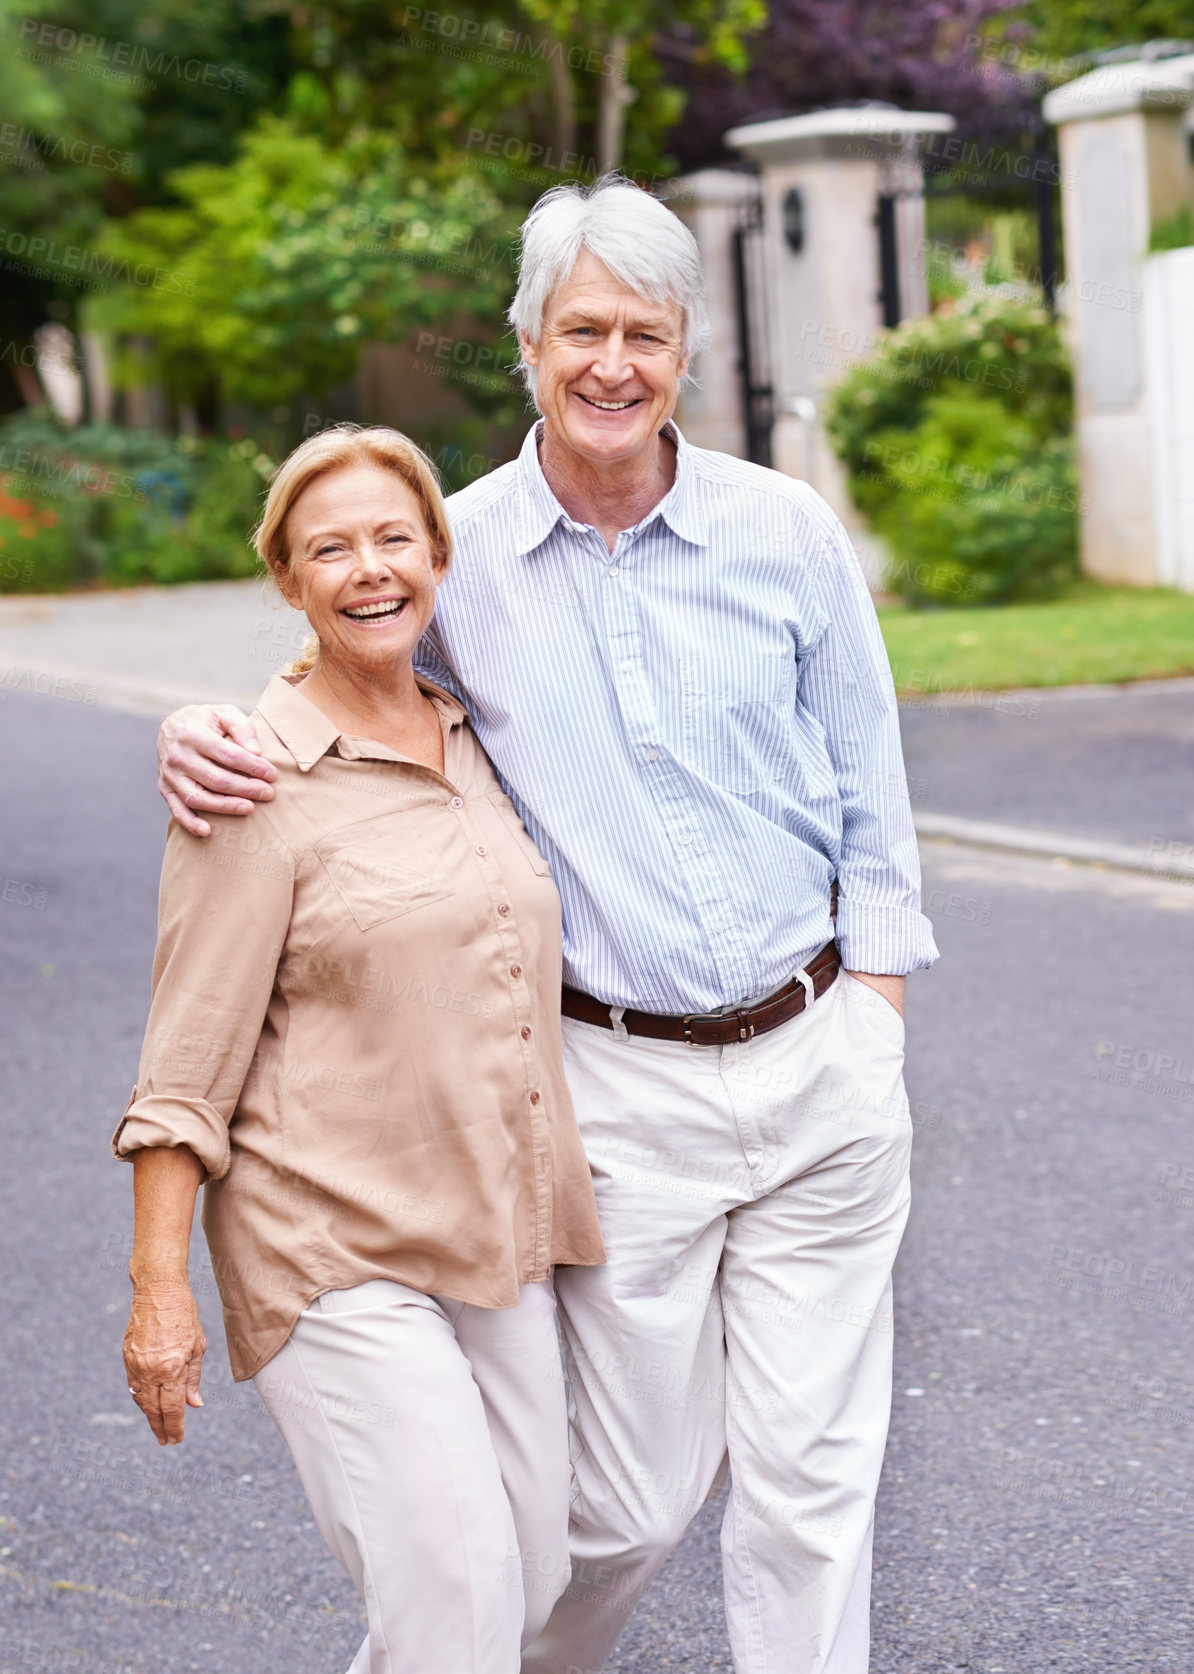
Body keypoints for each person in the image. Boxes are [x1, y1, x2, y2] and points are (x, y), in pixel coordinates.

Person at [156, 176, 939, 1674]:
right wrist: (194, 725)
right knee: (629, 1502)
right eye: (581, 326)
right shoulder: (459, 555)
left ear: (684, 350)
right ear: (525, 341)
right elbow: (330, 671)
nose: (611, 364)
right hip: (618, 1093)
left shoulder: (784, 532)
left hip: (823, 1056)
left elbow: (871, 800)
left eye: (644, 331)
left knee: (813, 1484)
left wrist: (873, 1028)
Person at [117, 424, 605, 1674]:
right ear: (288, 580)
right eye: (329, 549)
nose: (368, 569)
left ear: (439, 555)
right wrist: (159, 1293)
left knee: (531, 1574)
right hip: (329, 1245)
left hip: (490, 1229)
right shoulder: (250, 784)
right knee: (453, 1604)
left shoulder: (472, 731)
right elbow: (184, 1065)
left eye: (394, 537)